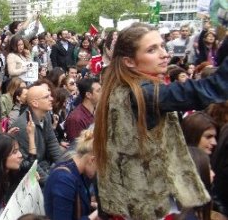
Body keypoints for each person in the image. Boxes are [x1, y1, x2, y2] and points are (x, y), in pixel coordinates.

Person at [93, 23, 228, 219]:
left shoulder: (126, 88)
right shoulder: (142, 94)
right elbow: (211, 89)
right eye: (152, 50)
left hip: (136, 203)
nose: (164, 54)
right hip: (146, 209)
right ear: (129, 61)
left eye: (162, 46)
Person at [11, 83, 61, 185]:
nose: (51, 99)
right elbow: (31, 164)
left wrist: (65, 167)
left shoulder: (46, 115)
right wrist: (51, 184)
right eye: (46, 97)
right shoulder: (22, 127)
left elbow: (52, 143)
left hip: (45, 165)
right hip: (29, 176)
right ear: (35, 103)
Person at [44, 128, 99, 220]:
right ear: (92, 160)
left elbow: (73, 204)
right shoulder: (63, 180)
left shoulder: (77, 172)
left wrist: (93, 205)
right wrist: (97, 213)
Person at [65, 78, 101, 143]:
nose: (102, 93)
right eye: (98, 91)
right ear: (88, 95)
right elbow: (76, 147)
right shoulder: (76, 119)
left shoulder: (96, 112)